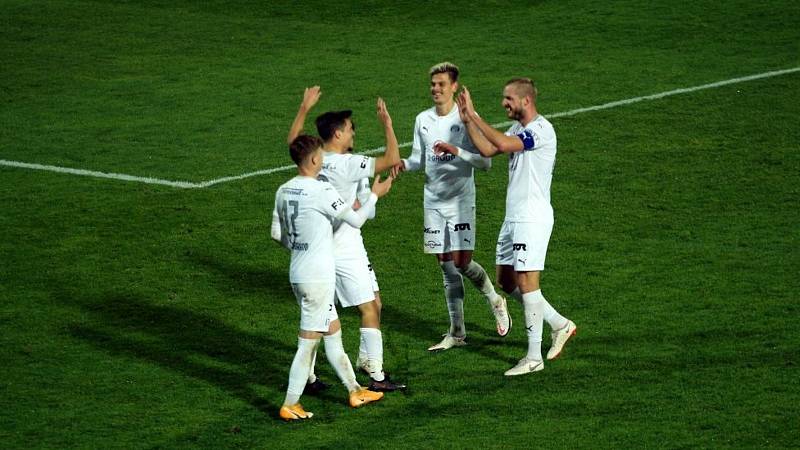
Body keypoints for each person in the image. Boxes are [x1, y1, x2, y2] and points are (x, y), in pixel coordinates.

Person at [451, 77, 577, 376]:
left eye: (508, 99)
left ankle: (533, 357)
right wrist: (469, 119)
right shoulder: (519, 129)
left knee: (526, 283)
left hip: (532, 218)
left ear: (526, 101)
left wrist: (476, 116)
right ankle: (560, 324)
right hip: (514, 217)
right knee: (506, 282)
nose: (504, 103)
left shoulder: (541, 129)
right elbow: (487, 149)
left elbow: (504, 144)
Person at [286, 87, 406, 392]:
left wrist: (303, 108)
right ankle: (375, 376)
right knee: (368, 307)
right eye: (350, 129)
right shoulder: (347, 163)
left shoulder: (316, 158)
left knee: (344, 310)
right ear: (338, 134)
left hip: (324, 246)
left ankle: (311, 376)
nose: (354, 133)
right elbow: (392, 157)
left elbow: (293, 143)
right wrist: (388, 124)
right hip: (344, 246)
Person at [390, 62, 511, 351]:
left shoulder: (466, 118)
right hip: (432, 202)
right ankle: (457, 332)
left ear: (454, 86)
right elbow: (420, 158)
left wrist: (455, 149)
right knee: (445, 266)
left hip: (460, 202)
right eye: (433, 84)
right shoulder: (423, 119)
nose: (435, 89)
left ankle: (494, 298)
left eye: (441, 84)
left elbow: (486, 162)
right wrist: (402, 165)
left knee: (461, 262)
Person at [272, 134, 392, 421]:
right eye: (321, 156)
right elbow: (356, 220)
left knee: (333, 331)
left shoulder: (283, 189)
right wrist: (376, 193)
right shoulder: (321, 191)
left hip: (298, 273)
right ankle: (291, 402)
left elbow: (277, 234)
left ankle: (354, 389)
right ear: (314, 159)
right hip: (318, 277)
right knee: (308, 342)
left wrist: (302, 246)